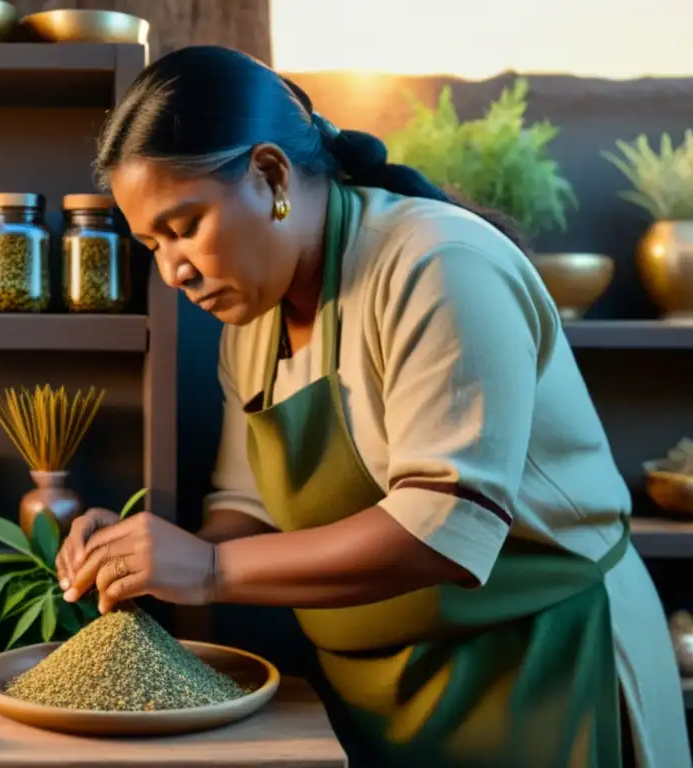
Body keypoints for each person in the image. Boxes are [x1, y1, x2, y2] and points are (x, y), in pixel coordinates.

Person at [53, 45, 689, 767]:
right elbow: (248, 509)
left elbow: (445, 524)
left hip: (544, 667)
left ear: (269, 175)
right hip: (382, 695)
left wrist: (207, 568)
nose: (175, 271)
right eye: (151, 243)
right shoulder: (252, 319)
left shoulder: (437, 264)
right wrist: (148, 555)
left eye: (185, 225)